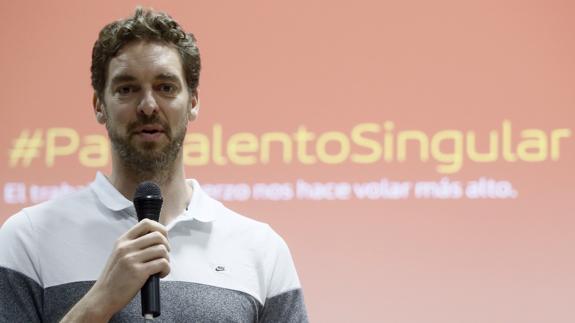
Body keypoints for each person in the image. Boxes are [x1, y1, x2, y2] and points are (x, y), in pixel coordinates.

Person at [0, 8, 308, 322]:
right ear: (99, 106)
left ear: (193, 102)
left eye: (165, 87)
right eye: (127, 89)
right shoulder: (28, 238)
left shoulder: (261, 249)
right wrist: (98, 303)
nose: (148, 106)